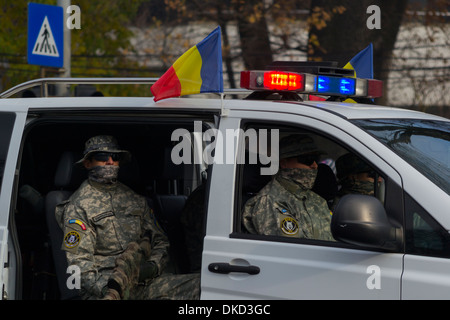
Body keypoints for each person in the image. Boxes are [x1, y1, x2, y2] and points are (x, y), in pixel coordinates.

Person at [55, 135, 199, 300]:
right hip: (106, 289)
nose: (110, 161)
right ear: (88, 163)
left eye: (115, 157)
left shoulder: (135, 200)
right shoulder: (77, 206)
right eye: (102, 157)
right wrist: (109, 290)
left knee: (205, 286)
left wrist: (152, 267)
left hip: (144, 282)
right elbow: (79, 264)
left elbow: (160, 241)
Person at [242, 134, 334, 241]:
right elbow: (292, 252)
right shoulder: (270, 201)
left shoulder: (318, 201)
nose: (314, 165)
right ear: (284, 163)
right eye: (307, 159)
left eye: (316, 159)